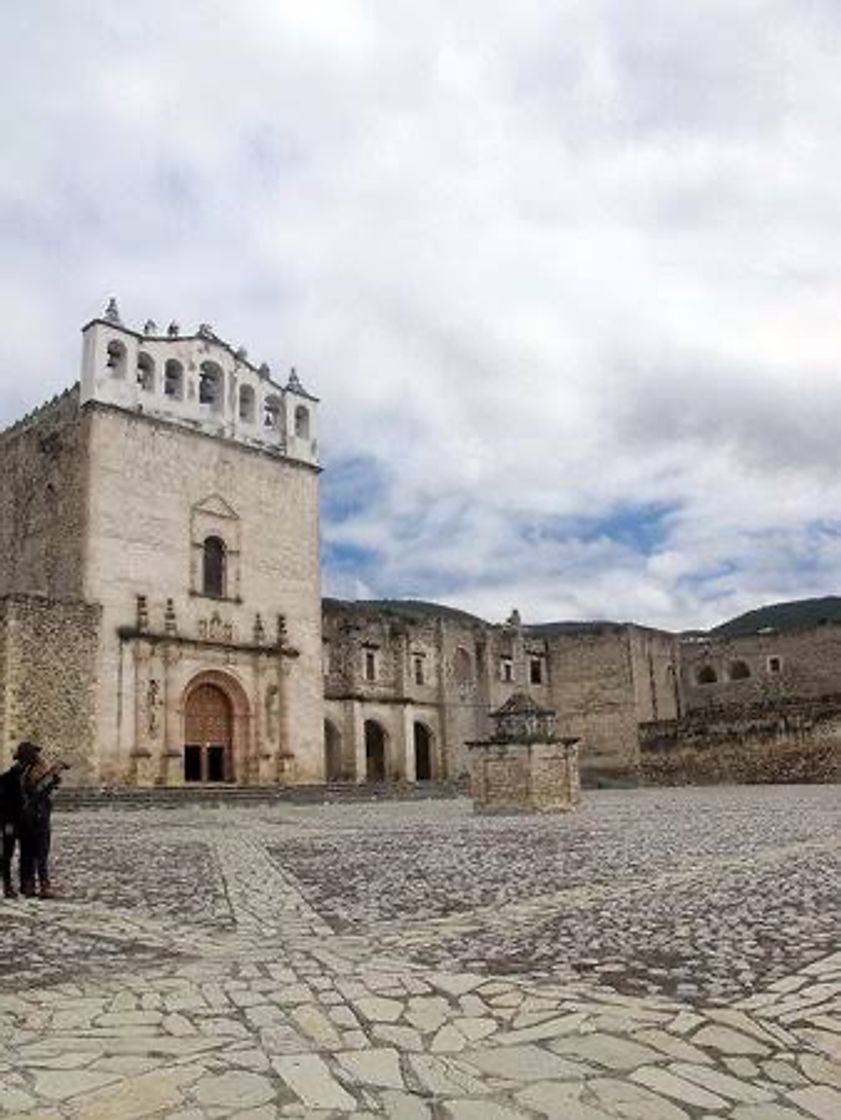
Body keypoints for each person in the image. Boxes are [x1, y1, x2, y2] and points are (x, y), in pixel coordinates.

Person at [17, 742, 65, 899]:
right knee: (40, 853)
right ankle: (43, 886)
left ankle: (28, 885)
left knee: (30, 853)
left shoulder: (25, 773)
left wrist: (53, 776)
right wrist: (53, 776)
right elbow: (39, 792)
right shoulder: (30, 773)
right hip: (37, 817)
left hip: (29, 817)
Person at [0, 748, 25, 898]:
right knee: (7, 853)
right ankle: (7, 884)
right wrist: (6, 821)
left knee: (27, 854)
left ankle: (25, 884)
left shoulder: (29, 778)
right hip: (10, 822)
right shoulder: (6, 779)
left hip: (25, 822)